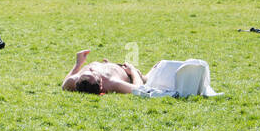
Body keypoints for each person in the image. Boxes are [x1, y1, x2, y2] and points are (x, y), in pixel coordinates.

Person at [62, 50, 217, 97]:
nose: (91, 69)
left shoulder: (73, 81)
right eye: (92, 72)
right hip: (132, 73)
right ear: (101, 85)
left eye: (88, 70)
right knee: (161, 64)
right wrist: (133, 71)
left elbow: (65, 82)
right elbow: (139, 88)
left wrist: (78, 65)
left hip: (116, 66)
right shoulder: (113, 83)